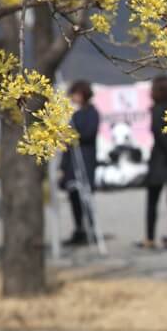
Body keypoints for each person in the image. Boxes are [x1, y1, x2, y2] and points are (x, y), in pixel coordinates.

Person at [139, 76, 167, 249]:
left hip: (161, 160)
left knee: (153, 202)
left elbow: (161, 135)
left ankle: (150, 238)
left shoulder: (157, 109)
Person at [60, 80, 100, 246]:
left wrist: (74, 135)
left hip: (86, 159)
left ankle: (91, 229)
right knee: (74, 196)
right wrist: (63, 165)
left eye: (75, 94)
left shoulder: (92, 113)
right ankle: (79, 229)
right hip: (72, 162)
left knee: (86, 196)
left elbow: (89, 134)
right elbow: (68, 144)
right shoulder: (74, 115)